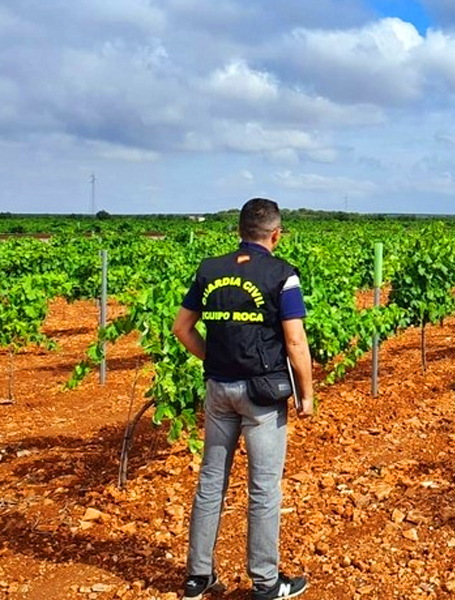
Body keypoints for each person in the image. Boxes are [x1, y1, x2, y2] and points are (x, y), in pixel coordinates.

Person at [172, 197, 315, 600]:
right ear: (276, 235)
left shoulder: (209, 270)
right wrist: (307, 394)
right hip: (262, 396)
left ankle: (197, 578)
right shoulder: (282, 275)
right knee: (264, 488)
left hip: (219, 391)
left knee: (211, 482)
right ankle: (267, 583)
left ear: (239, 232)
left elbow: (182, 328)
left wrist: (213, 357)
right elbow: (295, 340)